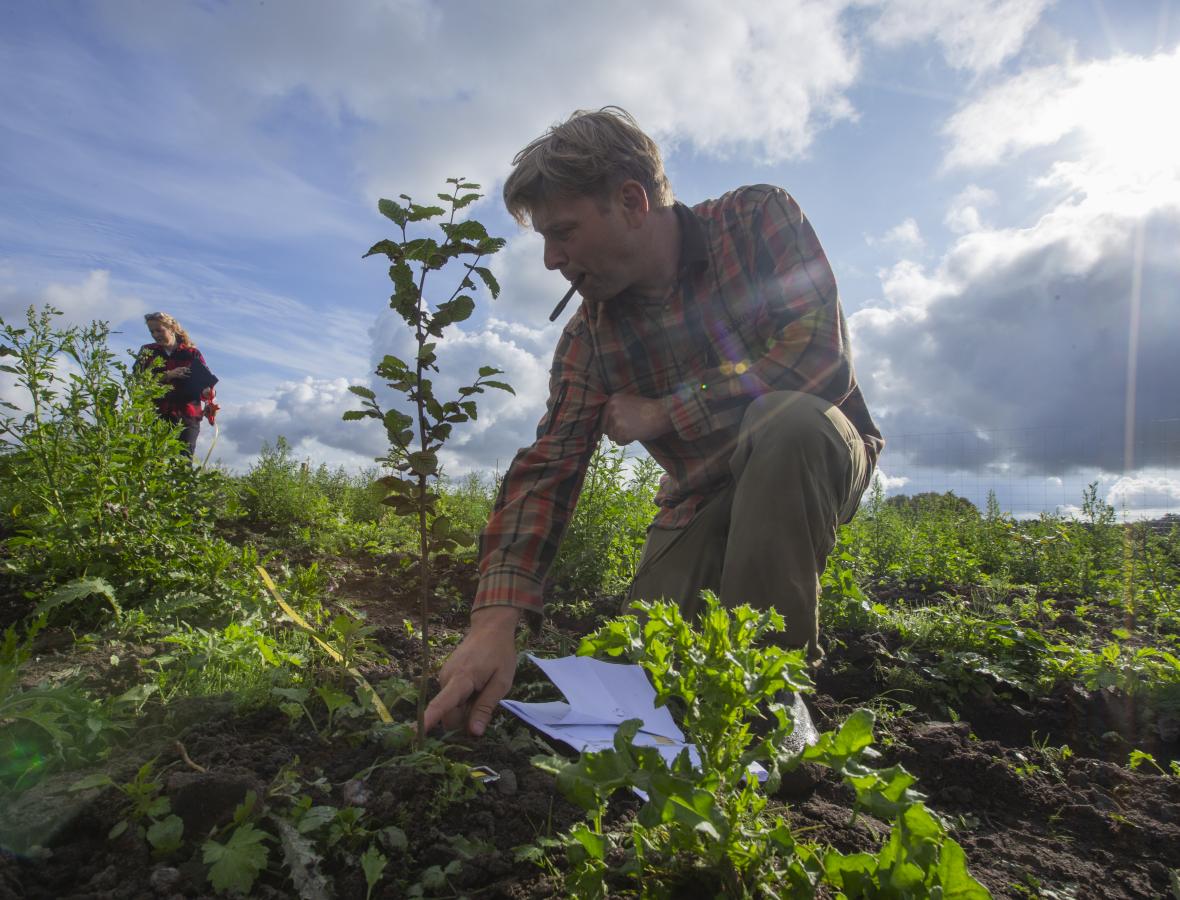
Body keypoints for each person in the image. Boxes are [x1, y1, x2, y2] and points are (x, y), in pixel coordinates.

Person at [423, 107, 883, 758]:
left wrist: (669, 410)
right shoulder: (589, 339)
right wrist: (493, 622)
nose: (553, 260)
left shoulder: (756, 221)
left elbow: (819, 362)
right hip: (697, 497)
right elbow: (548, 470)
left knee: (788, 423)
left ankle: (770, 694)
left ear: (632, 201)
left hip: (813, 450)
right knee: (650, 673)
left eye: (564, 233)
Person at [134, 312, 218, 458]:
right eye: (151, 331)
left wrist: (207, 393)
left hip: (187, 416)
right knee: (154, 462)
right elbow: (137, 379)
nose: (155, 334)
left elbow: (206, 385)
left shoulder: (192, 353)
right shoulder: (148, 351)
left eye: (159, 330)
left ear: (172, 328)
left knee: (183, 463)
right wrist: (168, 375)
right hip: (156, 414)